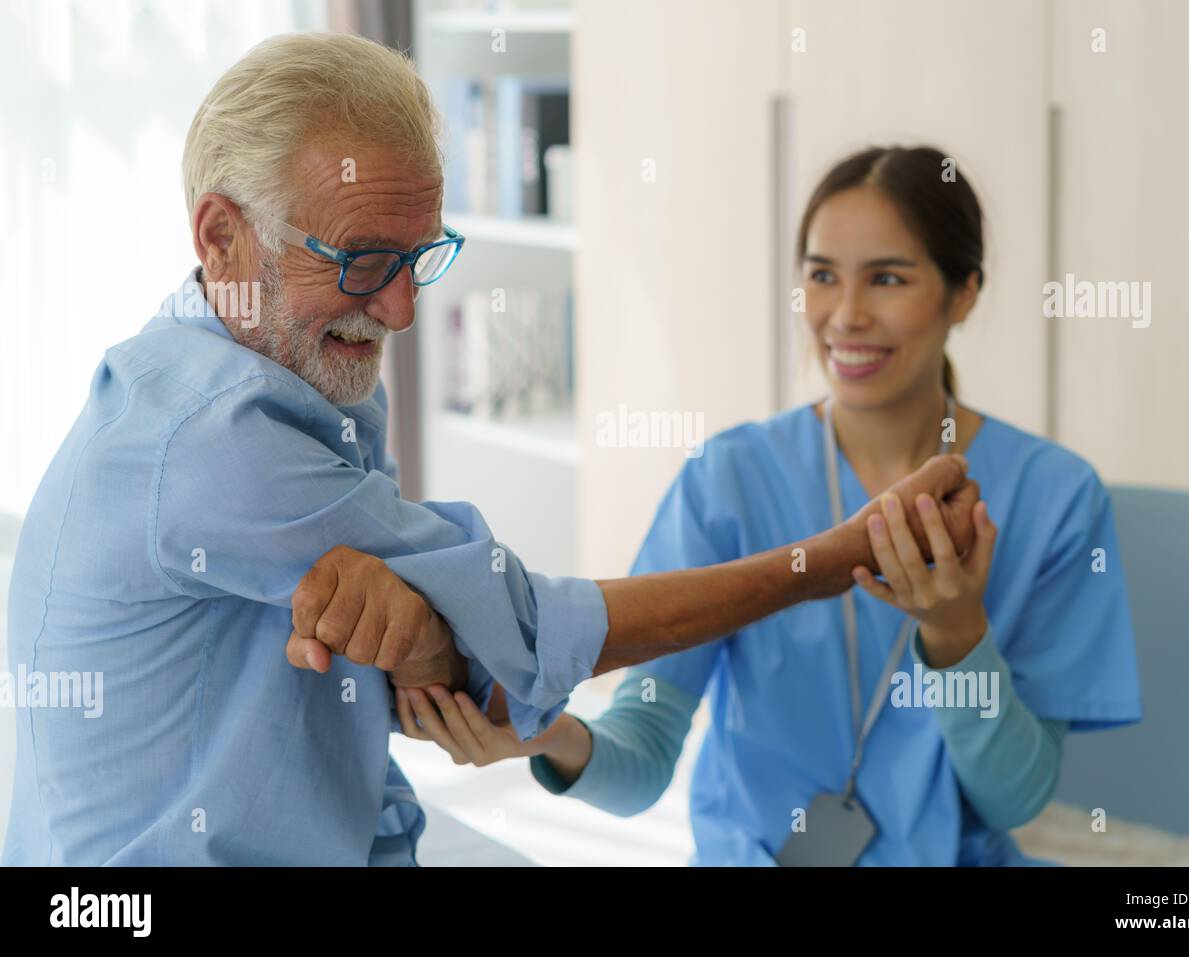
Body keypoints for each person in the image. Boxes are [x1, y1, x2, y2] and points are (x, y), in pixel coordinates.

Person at [1, 38, 976, 867]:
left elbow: (455, 642)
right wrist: (836, 560)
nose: (401, 309)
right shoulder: (216, 442)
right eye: (362, 260)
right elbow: (522, 627)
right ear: (222, 235)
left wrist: (427, 632)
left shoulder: (260, 371)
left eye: (419, 256)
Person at [403, 146, 1144, 866]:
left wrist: (957, 635)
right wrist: (544, 736)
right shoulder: (730, 479)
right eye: (822, 276)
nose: (845, 314)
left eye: (887, 278)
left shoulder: (1056, 498)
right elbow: (646, 752)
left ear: (964, 293)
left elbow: (1018, 798)